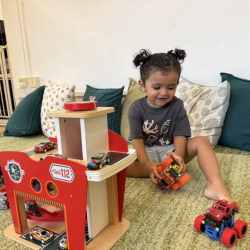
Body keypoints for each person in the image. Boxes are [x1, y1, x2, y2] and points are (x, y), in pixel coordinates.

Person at [127, 49, 240, 210]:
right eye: (157, 87)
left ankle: (215, 186)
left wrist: (178, 155)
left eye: (171, 88)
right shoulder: (136, 109)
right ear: (142, 85)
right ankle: (155, 171)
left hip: (172, 152)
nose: (164, 93)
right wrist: (146, 164)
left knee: (202, 141)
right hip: (146, 154)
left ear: (177, 85)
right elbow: (137, 140)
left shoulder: (177, 105)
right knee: (116, 164)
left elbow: (180, 134)